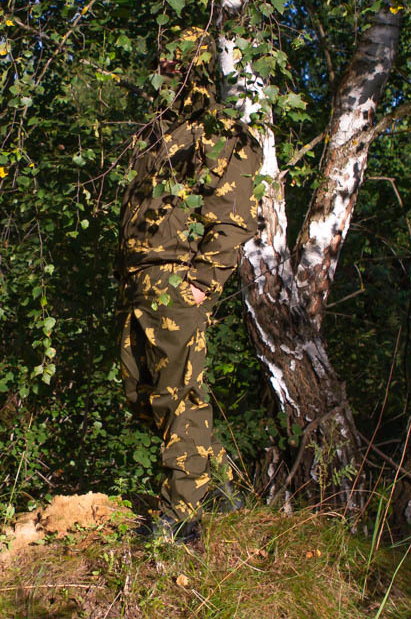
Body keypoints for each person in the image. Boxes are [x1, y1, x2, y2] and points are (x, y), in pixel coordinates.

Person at [116, 27, 263, 542]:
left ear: (199, 67)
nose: (170, 70)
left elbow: (235, 214)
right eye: (165, 61)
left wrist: (203, 282)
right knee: (142, 392)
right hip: (139, 281)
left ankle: (181, 518)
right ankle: (216, 482)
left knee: (180, 394)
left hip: (178, 280)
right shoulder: (154, 135)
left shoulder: (220, 132)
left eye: (181, 62)